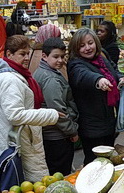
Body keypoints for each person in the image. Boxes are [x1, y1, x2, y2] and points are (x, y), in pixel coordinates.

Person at [0, 35, 61, 182]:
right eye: (22, 54)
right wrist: (51, 115)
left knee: (18, 189)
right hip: (19, 144)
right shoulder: (9, 79)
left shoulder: (12, 75)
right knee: (25, 188)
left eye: (28, 53)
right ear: (9, 54)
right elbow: (15, 115)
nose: (27, 58)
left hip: (17, 140)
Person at [67, 28, 124, 165]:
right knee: (95, 161)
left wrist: (120, 78)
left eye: (90, 43)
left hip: (109, 119)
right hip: (92, 125)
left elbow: (113, 69)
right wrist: (98, 80)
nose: (87, 48)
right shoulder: (75, 64)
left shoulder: (102, 57)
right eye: (82, 46)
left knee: (108, 158)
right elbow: (83, 76)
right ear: (76, 48)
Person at [33, 37, 79, 175]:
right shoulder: (51, 79)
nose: (60, 60)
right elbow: (58, 111)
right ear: (44, 56)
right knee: (60, 174)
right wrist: (72, 131)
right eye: (56, 57)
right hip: (56, 135)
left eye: (62, 57)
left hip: (49, 133)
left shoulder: (42, 71)